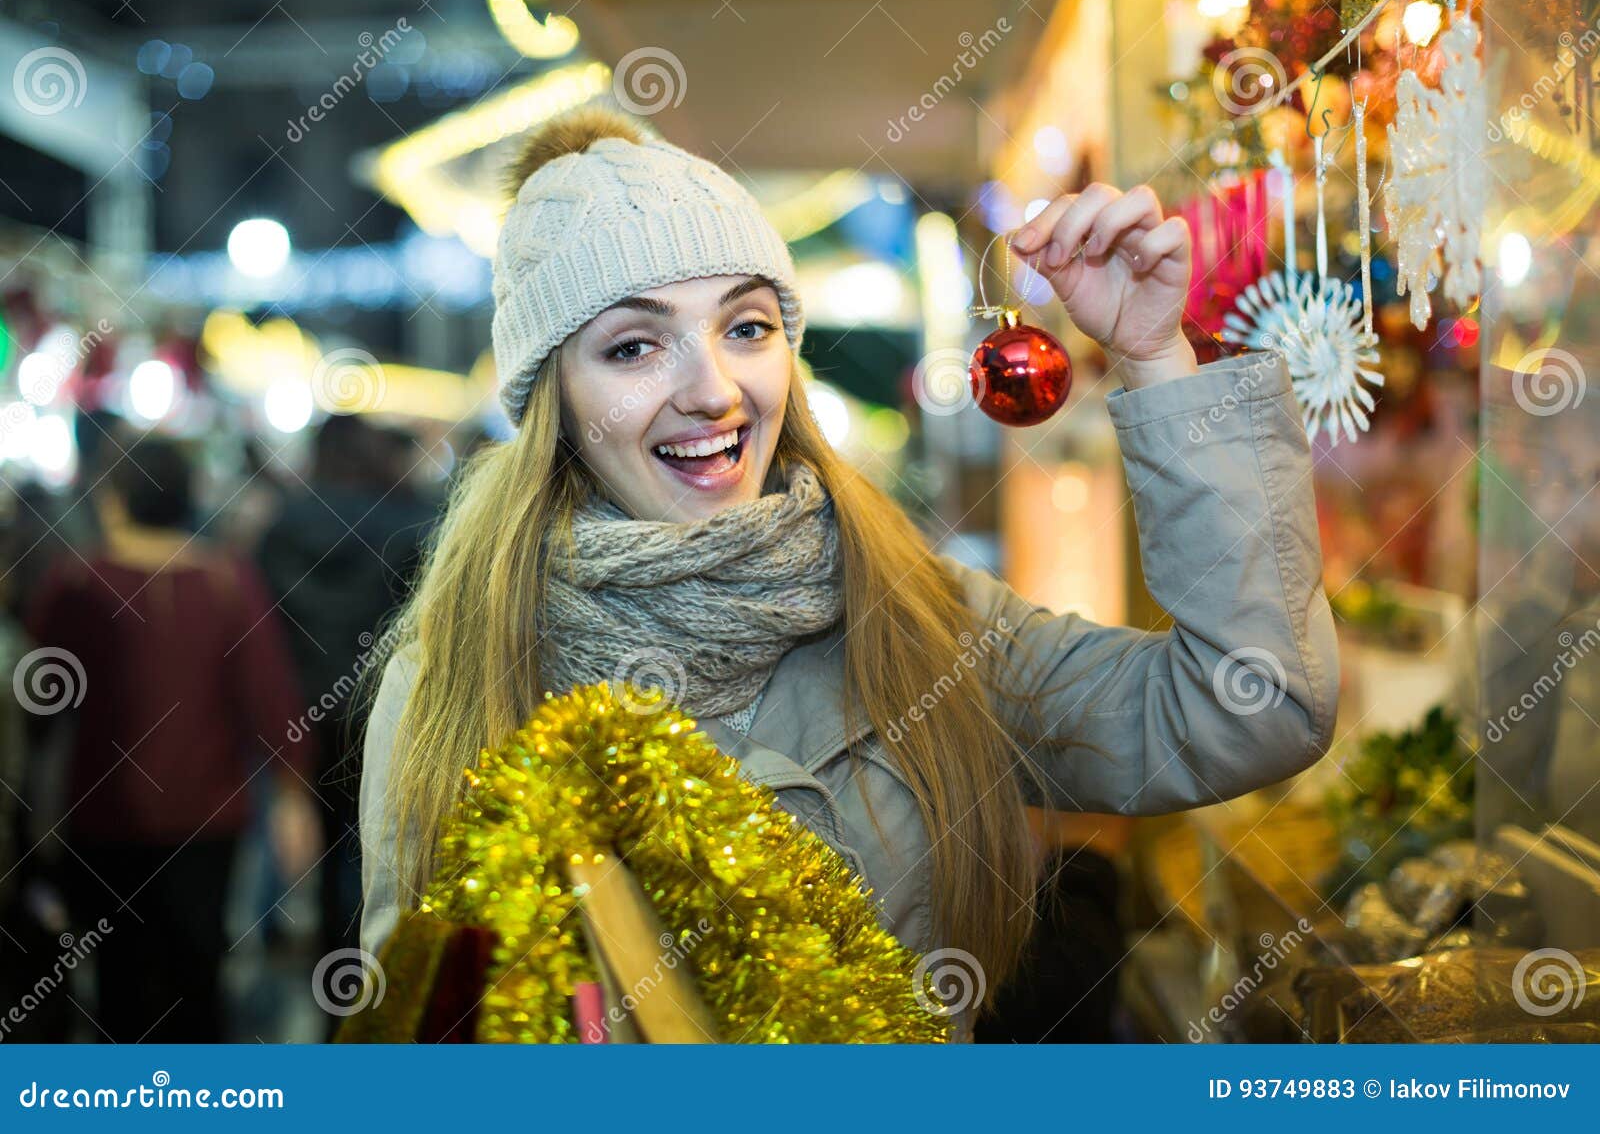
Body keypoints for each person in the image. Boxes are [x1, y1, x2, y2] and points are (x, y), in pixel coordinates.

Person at [358, 106, 1339, 1038]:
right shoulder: (459, 679)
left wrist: (1154, 357)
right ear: (553, 404)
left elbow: (1252, 709)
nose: (712, 390)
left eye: (745, 326)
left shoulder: (913, 610)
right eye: (632, 346)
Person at [24, 437, 319, 1042]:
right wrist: (293, 797)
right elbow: (271, 699)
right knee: (197, 984)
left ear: (113, 501)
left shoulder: (79, 581)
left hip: (101, 818)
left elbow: (36, 710)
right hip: (207, 820)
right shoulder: (226, 582)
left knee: (118, 990)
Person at [257, 414, 434, 978]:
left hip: (299, 709)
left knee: (314, 839)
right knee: (377, 846)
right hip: (381, 708)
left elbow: (261, 624)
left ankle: (323, 971)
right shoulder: (408, 522)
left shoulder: (281, 526)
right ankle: (363, 983)